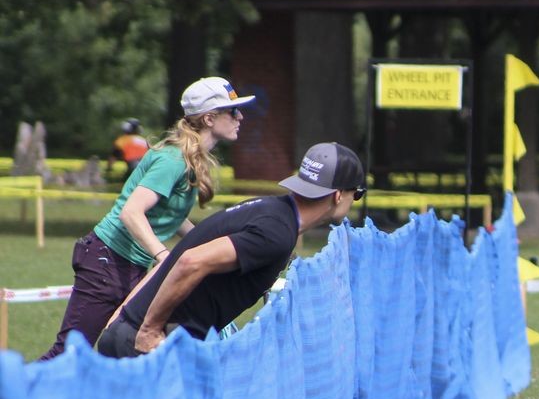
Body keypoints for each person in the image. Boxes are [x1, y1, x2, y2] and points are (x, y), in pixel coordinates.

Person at [39, 76, 255, 361]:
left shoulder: (190, 159)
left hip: (130, 266)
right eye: (233, 111)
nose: (240, 116)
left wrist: (207, 245)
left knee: (133, 349)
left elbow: (171, 216)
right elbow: (132, 212)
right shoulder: (173, 160)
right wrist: (164, 255)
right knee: (67, 356)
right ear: (210, 119)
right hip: (106, 260)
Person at [97, 142, 366, 359]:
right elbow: (190, 261)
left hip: (137, 338)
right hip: (148, 347)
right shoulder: (276, 232)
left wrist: (123, 318)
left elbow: (174, 262)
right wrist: (148, 329)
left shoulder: (269, 211)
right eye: (357, 193)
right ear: (338, 195)